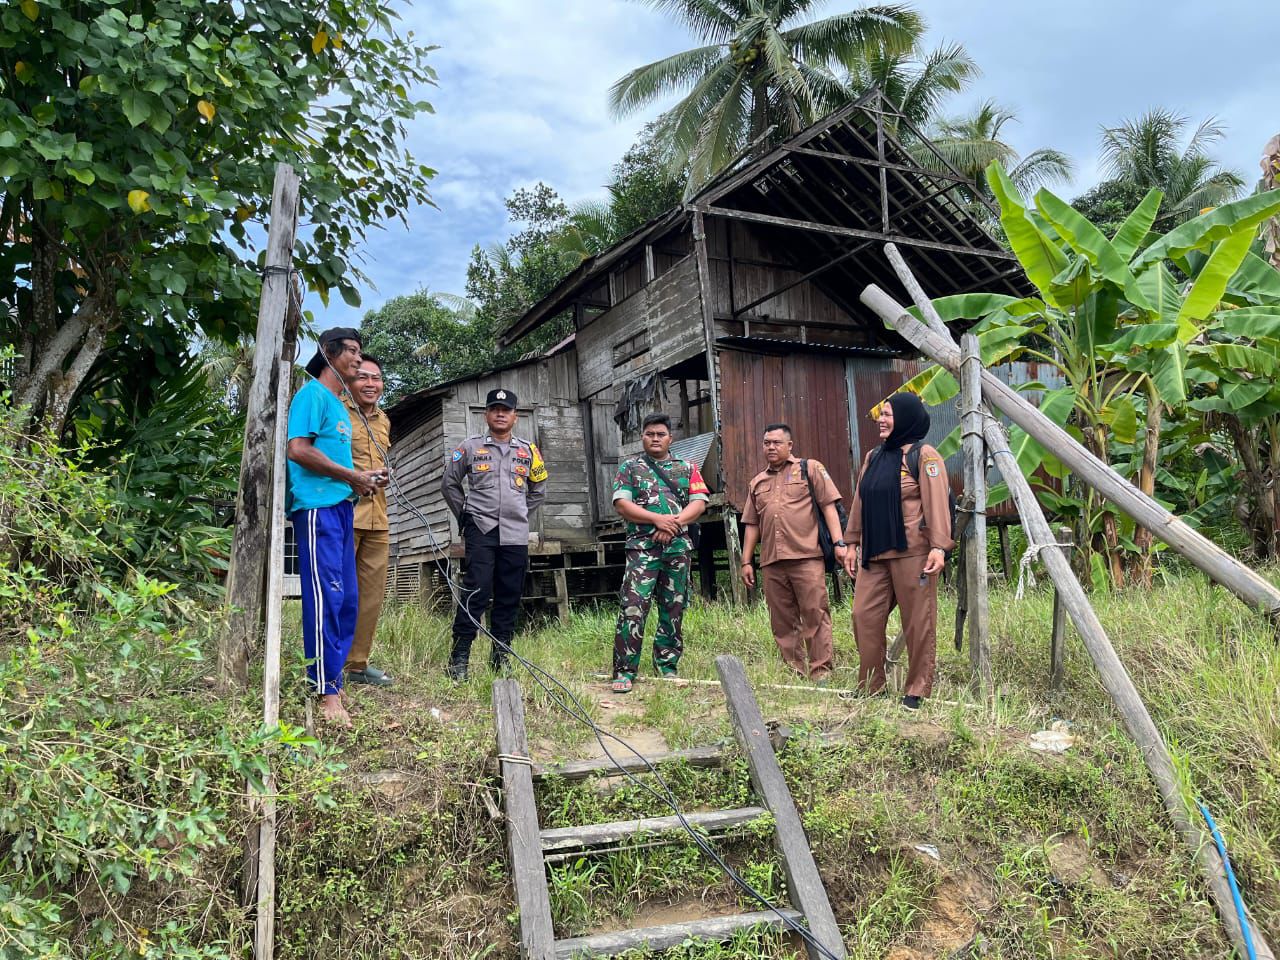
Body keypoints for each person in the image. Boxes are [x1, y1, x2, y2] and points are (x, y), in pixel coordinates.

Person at [286, 327, 388, 728]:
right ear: (328, 354)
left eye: (361, 354)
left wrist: (363, 477)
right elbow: (298, 449)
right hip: (317, 510)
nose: (359, 362)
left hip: (343, 509)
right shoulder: (312, 395)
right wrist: (352, 476)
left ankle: (335, 679)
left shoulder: (339, 407)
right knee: (325, 598)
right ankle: (324, 691)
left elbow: (336, 463)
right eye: (352, 353)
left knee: (346, 601)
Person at [843, 392, 953, 709]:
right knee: (863, 615)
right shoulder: (873, 457)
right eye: (881, 414)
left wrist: (939, 547)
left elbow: (936, 504)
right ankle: (872, 686)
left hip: (913, 551)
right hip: (874, 552)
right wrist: (851, 543)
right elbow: (860, 502)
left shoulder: (924, 455)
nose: (881, 419)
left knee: (918, 620)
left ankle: (916, 689)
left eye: (888, 414)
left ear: (905, 418)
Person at [441, 388, 547, 680]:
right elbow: (450, 483)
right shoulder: (470, 447)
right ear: (486, 414)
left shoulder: (529, 451)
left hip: (515, 532)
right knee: (477, 590)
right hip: (481, 528)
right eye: (495, 408)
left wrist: (520, 511)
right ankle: (459, 656)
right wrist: (465, 515)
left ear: (515, 416)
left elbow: (539, 489)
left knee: (509, 594)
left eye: (506, 409)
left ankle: (501, 655)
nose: (501, 413)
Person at [609, 413, 709, 693]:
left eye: (660, 434)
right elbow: (622, 505)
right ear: (642, 437)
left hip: (677, 548)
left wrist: (673, 523)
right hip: (642, 550)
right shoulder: (630, 468)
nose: (655, 438)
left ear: (670, 438)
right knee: (633, 607)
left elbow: (698, 503)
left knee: (673, 608)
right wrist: (656, 520)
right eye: (650, 434)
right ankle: (625, 671)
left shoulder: (687, 467)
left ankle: (667, 666)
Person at [740, 424, 847, 681]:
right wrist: (746, 561)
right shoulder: (757, 482)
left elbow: (829, 506)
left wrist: (839, 543)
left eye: (777, 442)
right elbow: (752, 524)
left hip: (807, 556)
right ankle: (793, 671)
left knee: (815, 614)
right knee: (782, 620)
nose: (771, 447)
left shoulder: (810, 469)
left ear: (790, 445)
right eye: (767, 443)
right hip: (772, 561)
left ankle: (821, 671)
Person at [342, 354, 394, 687]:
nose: (370, 384)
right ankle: (329, 663)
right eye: (363, 377)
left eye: (376, 378)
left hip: (379, 516)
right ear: (350, 381)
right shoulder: (337, 413)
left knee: (371, 596)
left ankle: (357, 666)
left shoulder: (384, 421)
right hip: (345, 512)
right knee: (341, 594)